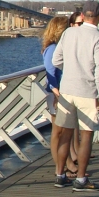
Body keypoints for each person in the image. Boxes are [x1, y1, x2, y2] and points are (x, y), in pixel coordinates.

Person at [51, 0, 99, 191]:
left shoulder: (69, 33)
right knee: (86, 136)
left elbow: (56, 60)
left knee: (65, 135)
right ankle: (81, 179)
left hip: (67, 90)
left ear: (82, 16)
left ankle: (60, 175)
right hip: (88, 91)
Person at [41, 16, 72, 184]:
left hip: (59, 92)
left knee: (62, 130)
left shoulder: (55, 47)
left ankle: (64, 164)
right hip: (56, 94)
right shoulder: (52, 49)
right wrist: (56, 93)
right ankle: (61, 166)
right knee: (58, 131)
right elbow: (50, 71)